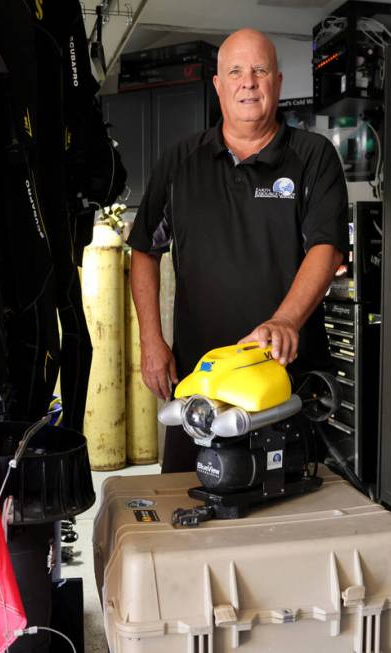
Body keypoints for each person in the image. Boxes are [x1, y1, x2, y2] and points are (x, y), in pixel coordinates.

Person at [128, 28, 348, 472]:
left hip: (285, 382)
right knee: (188, 503)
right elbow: (143, 250)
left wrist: (286, 320)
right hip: (201, 383)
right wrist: (151, 340)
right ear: (218, 85)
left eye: (259, 70)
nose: (248, 82)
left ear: (278, 83)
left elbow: (326, 247)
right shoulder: (180, 162)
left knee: (288, 515)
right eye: (235, 71)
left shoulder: (312, 156)